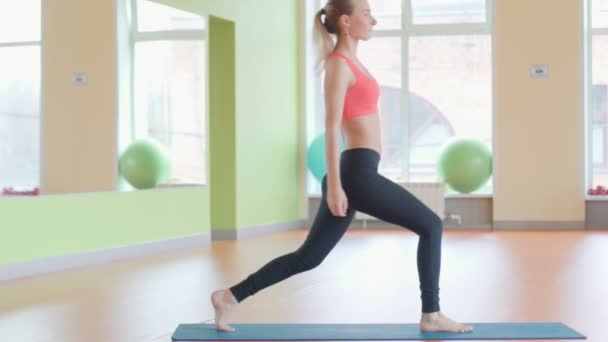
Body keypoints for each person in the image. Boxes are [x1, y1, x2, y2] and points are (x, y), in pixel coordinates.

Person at [211, 0, 473, 334]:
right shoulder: (338, 65)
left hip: (361, 170)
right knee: (432, 224)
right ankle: (431, 313)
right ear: (346, 22)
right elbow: (332, 127)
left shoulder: (354, 62)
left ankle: (228, 296)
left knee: (308, 258)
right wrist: (335, 185)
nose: (374, 20)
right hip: (354, 174)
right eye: (367, 13)